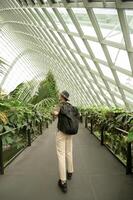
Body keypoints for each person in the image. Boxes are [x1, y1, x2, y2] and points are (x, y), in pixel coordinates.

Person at [53, 90, 79, 193]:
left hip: (62, 132)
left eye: (60, 95)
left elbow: (54, 113)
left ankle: (63, 181)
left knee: (61, 155)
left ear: (61, 97)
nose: (59, 96)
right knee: (69, 152)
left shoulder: (60, 105)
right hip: (70, 132)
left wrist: (54, 112)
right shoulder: (72, 107)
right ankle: (70, 172)